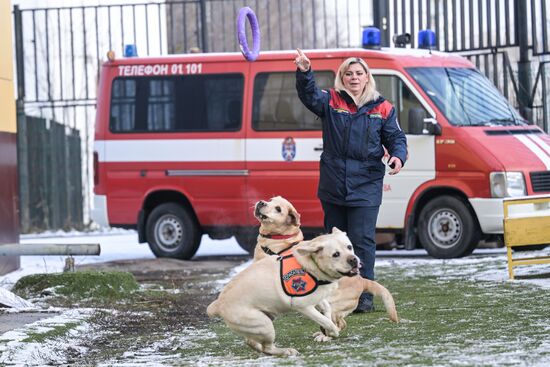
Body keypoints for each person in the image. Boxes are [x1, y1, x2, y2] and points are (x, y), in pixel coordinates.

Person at [294, 48, 407, 312]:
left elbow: (397, 140)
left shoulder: (383, 107)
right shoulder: (330, 101)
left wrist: (398, 157)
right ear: (342, 78)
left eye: (359, 73)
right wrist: (305, 72)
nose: (354, 78)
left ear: (367, 77)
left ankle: (362, 298)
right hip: (333, 184)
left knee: (362, 240)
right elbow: (308, 95)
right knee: (333, 246)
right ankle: (334, 296)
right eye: (348, 74)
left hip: (366, 185)